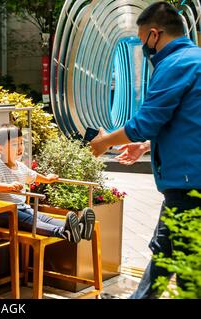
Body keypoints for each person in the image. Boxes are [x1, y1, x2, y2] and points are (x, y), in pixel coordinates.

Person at [90, 2, 201, 299]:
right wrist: (146, 146)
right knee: (169, 256)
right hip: (190, 182)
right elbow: (188, 120)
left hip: (188, 186)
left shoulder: (176, 64)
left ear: (155, 35)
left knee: (182, 264)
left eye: (143, 42)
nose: (145, 49)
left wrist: (103, 143)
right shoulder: (196, 59)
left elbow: (145, 121)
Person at [0, 124, 96, 243]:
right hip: (3, 214)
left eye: (21, 143)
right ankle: (64, 232)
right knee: (34, 222)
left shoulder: (20, 166)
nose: (20, 147)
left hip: (22, 208)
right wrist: (8, 187)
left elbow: (34, 176)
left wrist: (47, 179)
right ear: (1, 149)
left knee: (45, 219)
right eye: (15, 144)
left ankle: (80, 228)